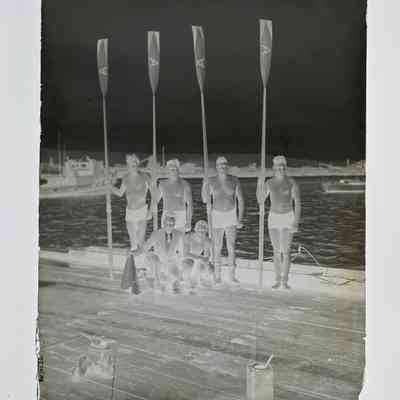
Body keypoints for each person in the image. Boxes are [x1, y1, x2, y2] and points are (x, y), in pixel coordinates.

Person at [256, 155, 301, 289]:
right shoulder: (269, 183)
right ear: (274, 167)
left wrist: (295, 222)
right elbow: (260, 200)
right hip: (274, 217)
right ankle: (277, 279)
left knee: (286, 251)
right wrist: (259, 183)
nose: (281, 168)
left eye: (283, 165)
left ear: (285, 167)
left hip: (288, 217)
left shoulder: (291, 182)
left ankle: (285, 281)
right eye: (278, 165)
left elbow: (298, 203)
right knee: (276, 251)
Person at [202, 156, 245, 283]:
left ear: (227, 165)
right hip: (216, 215)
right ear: (216, 167)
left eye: (225, 164)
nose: (223, 166)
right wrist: (204, 184)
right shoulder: (211, 180)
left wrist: (239, 219)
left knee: (231, 246)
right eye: (220, 164)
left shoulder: (234, 180)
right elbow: (205, 199)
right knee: (217, 246)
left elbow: (241, 201)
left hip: (231, 215)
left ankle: (232, 275)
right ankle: (217, 275)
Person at [110, 153, 154, 251]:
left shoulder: (145, 176)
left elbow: (154, 195)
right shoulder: (125, 177)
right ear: (128, 164)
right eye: (131, 162)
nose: (133, 163)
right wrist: (109, 186)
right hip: (129, 212)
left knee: (140, 241)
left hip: (142, 211)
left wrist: (150, 212)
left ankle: (142, 258)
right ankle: (135, 257)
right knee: (133, 241)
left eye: (135, 161)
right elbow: (120, 193)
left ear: (138, 163)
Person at [132, 213, 184, 293]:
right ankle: (154, 279)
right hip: (158, 261)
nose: (169, 226)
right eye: (167, 223)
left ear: (174, 224)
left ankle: (168, 281)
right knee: (155, 260)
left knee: (177, 282)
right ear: (163, 223)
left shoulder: (179, 234)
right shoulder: (157, 233)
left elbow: (181, 253)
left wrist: (179, 267)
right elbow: (146, 247)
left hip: (171, 262)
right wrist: (135, 253)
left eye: (171, 224)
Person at [154, 159, 192, 232]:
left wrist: (189, 221)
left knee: (180, 238)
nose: (173, 169)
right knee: (166, 237)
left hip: (180, 214)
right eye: (171, 168)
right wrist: (155, 219)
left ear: (178, 169)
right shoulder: (162, 183)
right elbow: (155, 201)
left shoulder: (185, 184)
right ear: (168, 169)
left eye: (175, 167)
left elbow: (190, 204)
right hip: (166, 214)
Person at [181, 220, 214, 292]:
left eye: (204, 228)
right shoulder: (188, 237)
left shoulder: (207, 240)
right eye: (199, 228)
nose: (201, 230)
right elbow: (185, 254)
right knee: (189, 263)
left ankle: (201, 279)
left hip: (196, 259)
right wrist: (200, 258)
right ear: (195, 229)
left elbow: (206, 257)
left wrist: (208, 266)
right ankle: (186, 280)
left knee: (210, 268)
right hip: (183, 258)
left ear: (206, 230)